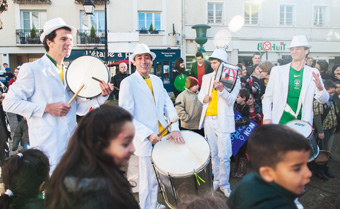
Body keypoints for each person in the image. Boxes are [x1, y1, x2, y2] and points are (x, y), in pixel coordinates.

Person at [2, 17, 113, 173]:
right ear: (49, 42)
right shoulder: (32, 69)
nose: (69, 43)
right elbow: (9, 103)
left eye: (70, 39)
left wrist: (101, 96)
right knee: (52, 193)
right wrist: (46, 108)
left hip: (71, 146)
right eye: (64, 39)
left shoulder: (69, 73)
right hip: (47, 147)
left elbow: (79, 108)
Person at [119, 43, 184, 209]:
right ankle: (147, 206)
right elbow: (126, 115)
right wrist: (148, 134)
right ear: (133, 61)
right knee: (147, 179)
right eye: (139, 58)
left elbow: (168, 106)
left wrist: (175, 128)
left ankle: (153, 204)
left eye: (146, 57)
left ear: (151, 61)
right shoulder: (128, 82)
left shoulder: (157, 80)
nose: (144, 61)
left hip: (162, 135)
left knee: (157, 176)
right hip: (145, 138)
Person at [45, 104, 139, 209]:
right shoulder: (95, 197)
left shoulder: (106, 176)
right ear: (100, 145)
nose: (133, 149)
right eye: (125, 144)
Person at [227, 124, 312, 209]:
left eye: (306, 164)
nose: (308, 173)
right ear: (267, 173)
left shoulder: (247, 181)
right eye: (297, 168)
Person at [198, 48, 241, 197]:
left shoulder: (234, 79)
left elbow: (231, 101)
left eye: (215, 62)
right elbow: (201, 94)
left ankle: (225, 184)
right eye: (212, 62)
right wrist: (202, 98)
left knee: (225, 155)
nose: (213, 65)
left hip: (223, 120)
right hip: (209, 118)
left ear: (224, 64)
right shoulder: (207, 77)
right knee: (213, 153)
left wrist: (222, 89)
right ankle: (216, 180)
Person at [262, 35, 329, 125]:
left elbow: (324, 100)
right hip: (280, 121)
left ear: (306, 51)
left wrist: (320, 88)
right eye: (292, 49)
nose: (294, 51)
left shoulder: (312, 72)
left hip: (303, 123)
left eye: (298, 48)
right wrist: (267, 117)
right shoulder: (277, 71)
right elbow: (268, 97)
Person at [232, 88, 250, 179]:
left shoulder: (245, 107)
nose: (236, 98)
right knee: (237, 153)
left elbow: (246, 120)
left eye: (238, 97)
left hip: (243, 135)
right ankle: (236, 170)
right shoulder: (236, 105)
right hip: (237, 134)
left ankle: (242, 172)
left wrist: (234, 122)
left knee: (242, 153)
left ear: (244, 98)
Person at [0, 81, 10, 166]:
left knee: (3, 140)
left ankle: (4, 165)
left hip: (1, 120)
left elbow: (7, 93)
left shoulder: (0, 84)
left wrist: (5, 95)